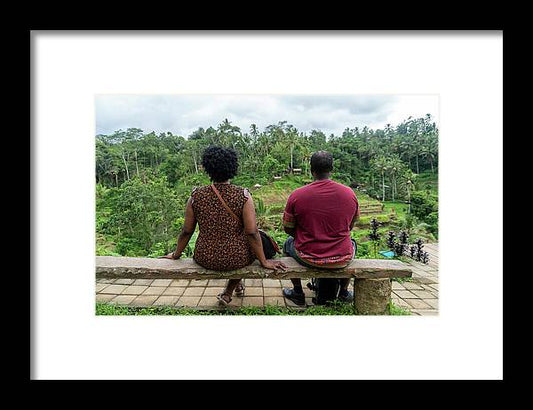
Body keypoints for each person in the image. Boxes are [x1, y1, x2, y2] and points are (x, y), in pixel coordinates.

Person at [161, 145, 287, 305]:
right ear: (233, 168)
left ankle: (234, 287)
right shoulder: (243, 195)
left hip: (204, 257)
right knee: (246, 246)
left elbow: (187, 231)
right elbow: (252, 232)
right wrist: (264, 261)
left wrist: (176, 254)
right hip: (237, 257)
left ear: (208, 169)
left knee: (240, 247)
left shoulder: (196, 196)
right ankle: (232, 288)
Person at [281, 151, 360, 305]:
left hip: (308, 256)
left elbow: (288, 228)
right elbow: (351, 225)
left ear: (312, 170)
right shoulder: (349, 193)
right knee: (353, 244)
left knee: (287, 243)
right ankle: (343, 292)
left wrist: (303, 236)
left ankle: (298, 292)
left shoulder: (297, 195)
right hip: (341, 257)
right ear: (331, 169)